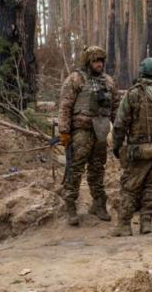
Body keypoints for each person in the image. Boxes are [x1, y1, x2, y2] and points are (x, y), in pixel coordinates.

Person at [111, 58, 152, 237]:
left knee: (130, 187)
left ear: (142, 72)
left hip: (138, 151)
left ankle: (124, 225)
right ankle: (146, 223)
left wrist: (117, 146)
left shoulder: (133, 94)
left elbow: (120, 124)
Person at [58, 46, 120, 226]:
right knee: (76, 168)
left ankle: (99, 204)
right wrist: (64, 131)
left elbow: (116, 107)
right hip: (81, 131)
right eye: (95, 61)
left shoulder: (108, 82)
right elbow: (65, 106)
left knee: (97, 169)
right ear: (88, 62)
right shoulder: (76, 80)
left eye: (101, 61)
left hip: (100, 131)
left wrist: (119, 129)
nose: (99, 64)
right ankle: (70, 205)